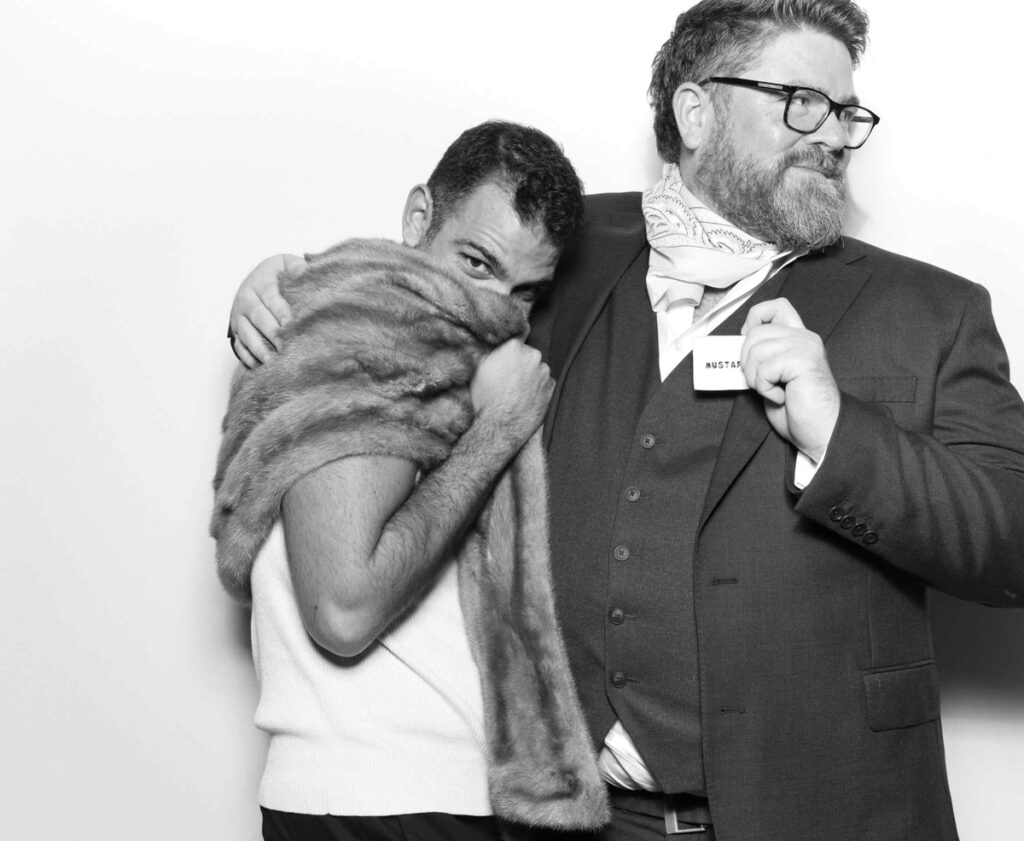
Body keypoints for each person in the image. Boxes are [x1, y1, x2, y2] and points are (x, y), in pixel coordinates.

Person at [228, 3, 1024, 839]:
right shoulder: (573, 250)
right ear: (696, 110)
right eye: (800, 100)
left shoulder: (929, 309)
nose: (831, 133)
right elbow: (434, 268)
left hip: (830, 815)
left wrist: (840, 436)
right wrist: (289, 282)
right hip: (576, 821)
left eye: (845, 112)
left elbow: (1013, 538)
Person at [212, 121, 611, 841]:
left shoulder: (424, 335)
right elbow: (343, 610)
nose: (499, 309)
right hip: (381, 802)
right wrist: (498, 432)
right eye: (478, 263)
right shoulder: (363, 336)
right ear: (418, 217)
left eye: (525, 292)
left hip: (423, 798)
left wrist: (294, 267)